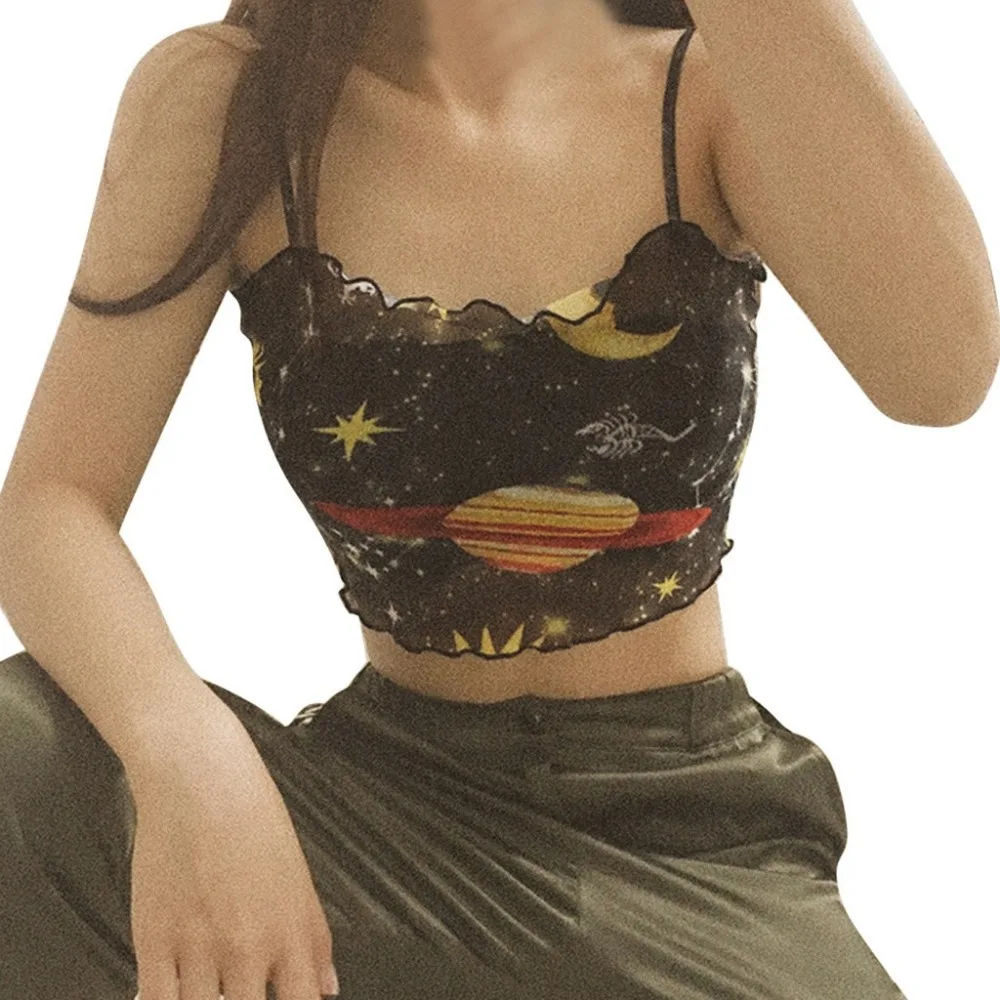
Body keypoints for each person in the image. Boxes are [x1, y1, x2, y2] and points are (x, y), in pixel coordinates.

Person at [0, 1, 997, 998]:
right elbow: (53, 502)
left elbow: (940, 374)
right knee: (20, 750)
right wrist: (186, 758)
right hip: (388, 821)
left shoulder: (708, 87)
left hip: (687, 839)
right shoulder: (231, 103)